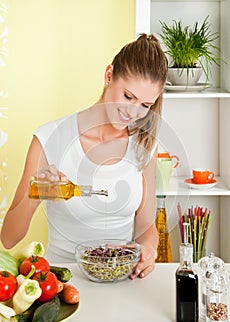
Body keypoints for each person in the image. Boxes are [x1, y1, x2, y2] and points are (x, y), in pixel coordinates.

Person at [0, 34, 168, 279]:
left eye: (145, 105)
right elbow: (8, 237)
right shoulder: (50, 138)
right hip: (64, 284)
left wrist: (148, 250)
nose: (132, 113)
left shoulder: (144, 145)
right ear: (109, 75)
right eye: (128, 97)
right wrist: (35, 193)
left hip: (122, 281)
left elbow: (146, 229)